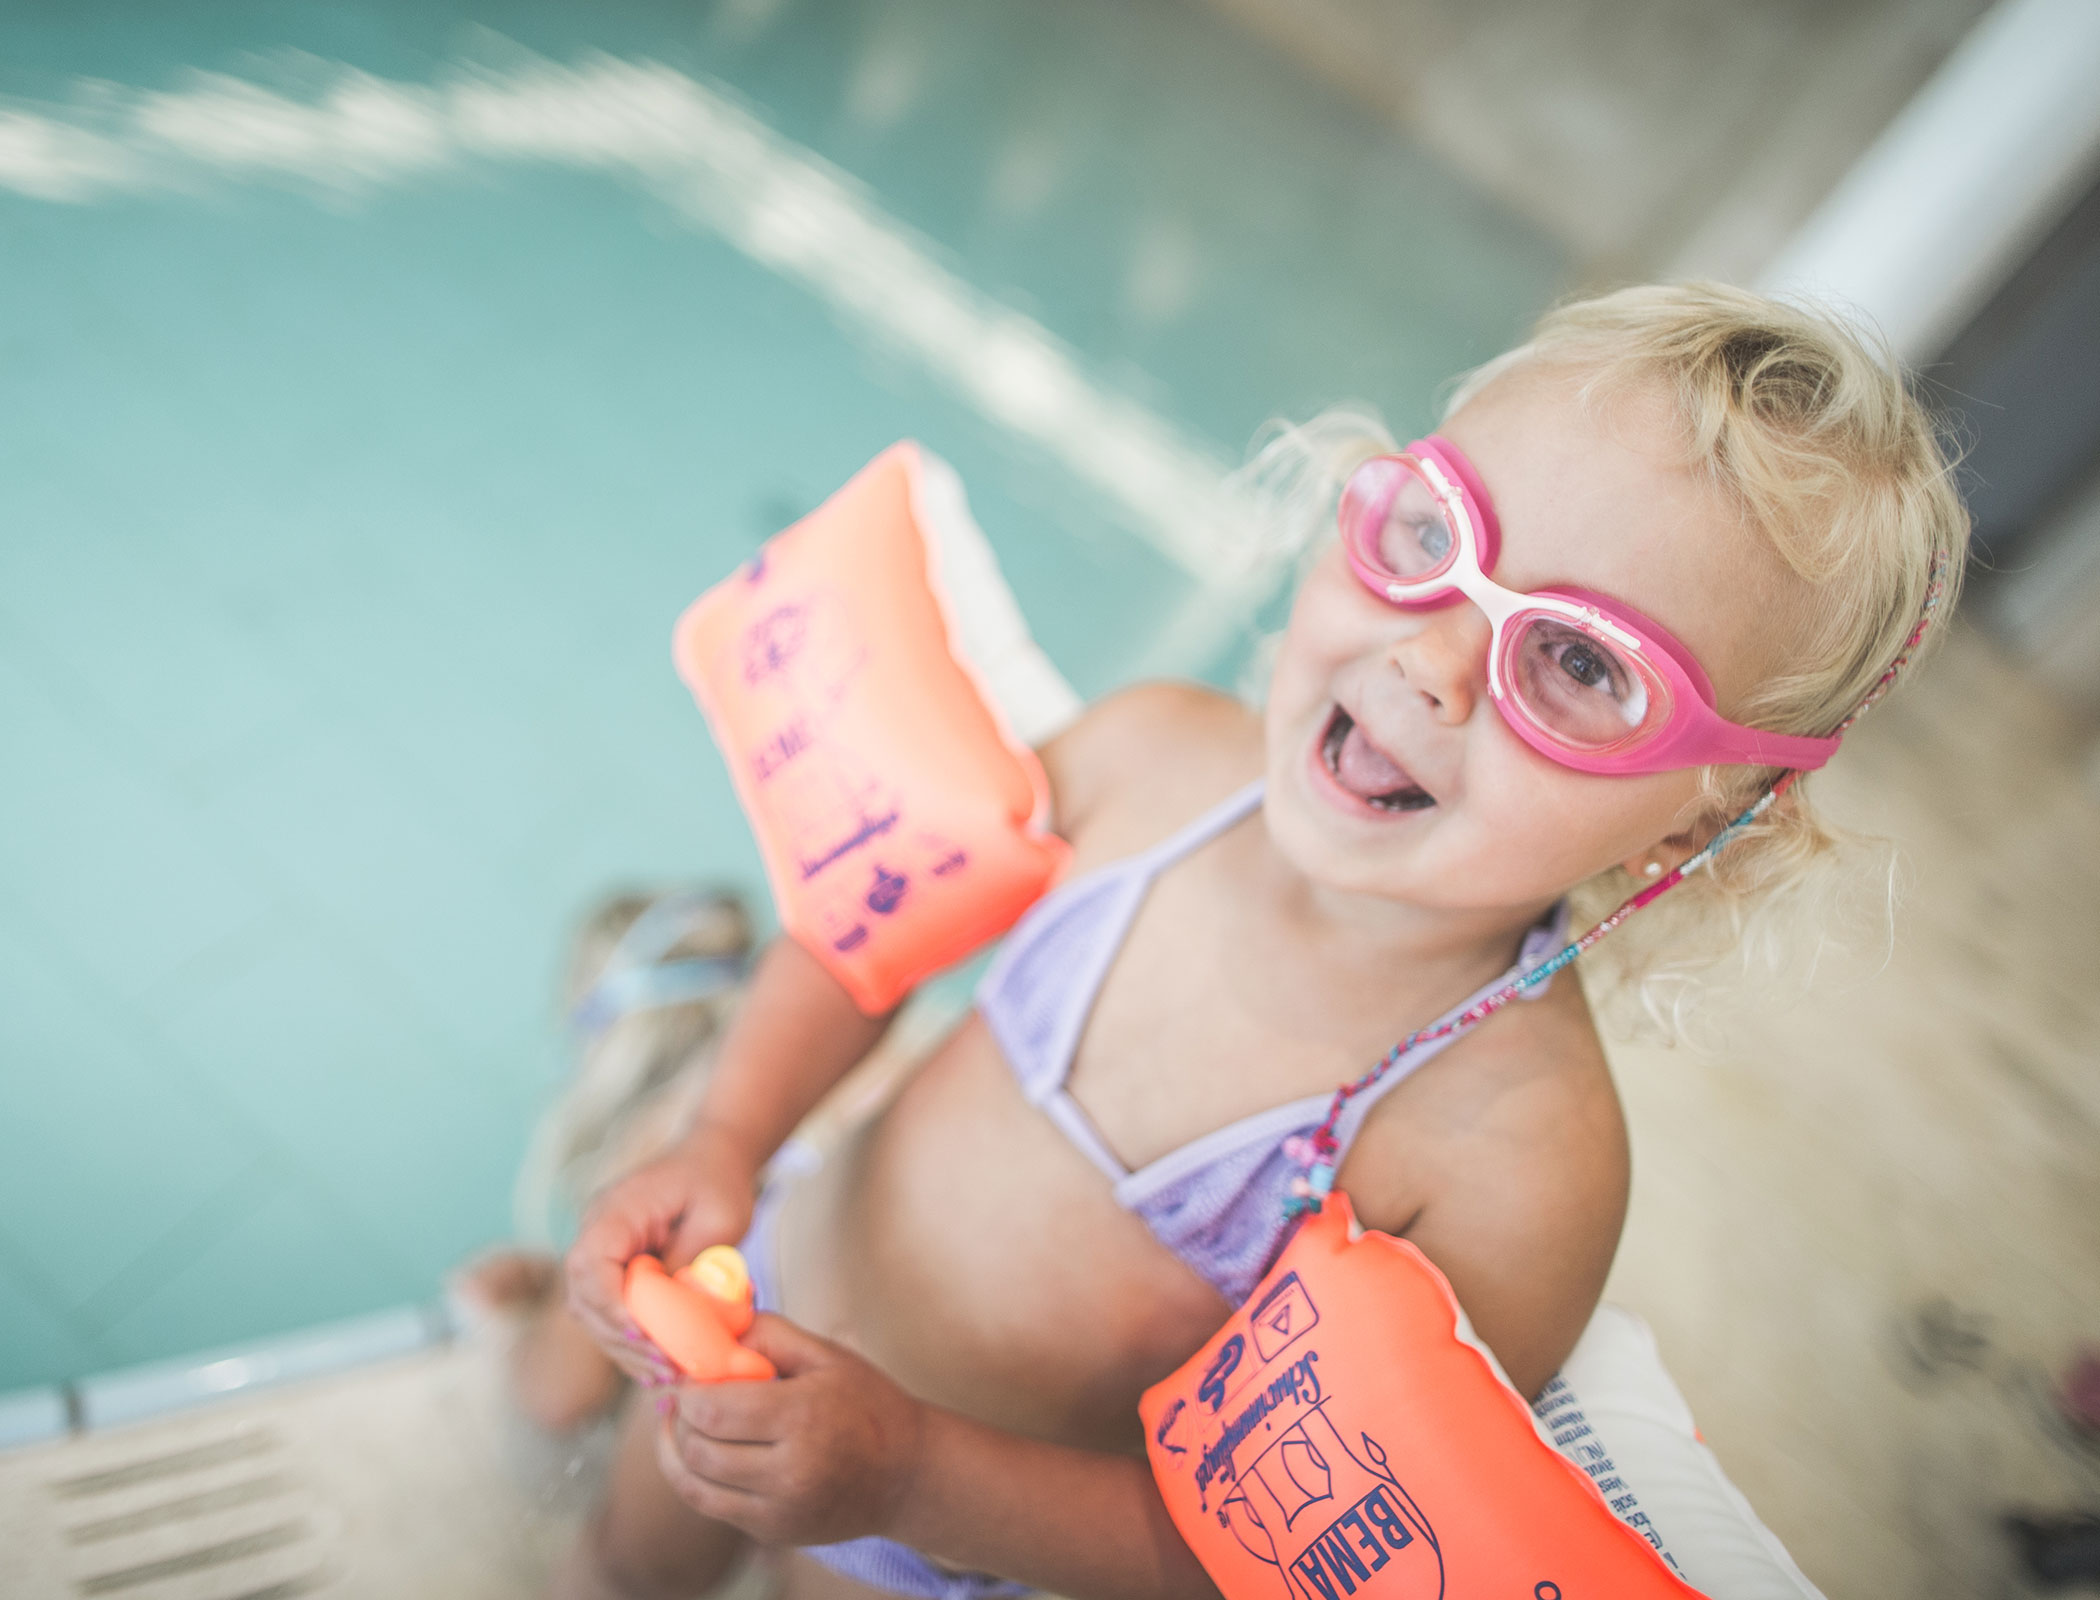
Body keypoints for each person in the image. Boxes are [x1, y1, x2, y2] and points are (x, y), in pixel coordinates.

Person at [525, 283, 1967, 1600]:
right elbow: (866, 941)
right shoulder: (1152, 761)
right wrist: (726, 1133)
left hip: (947, 1549)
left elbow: (1258, 1551)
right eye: (1435, 537)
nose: (1431, 659)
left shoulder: (1505, 1165)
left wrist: (904, 1474)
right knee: (617, 1568)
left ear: (1699, 825)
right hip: (763, 1288)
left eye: (1585, 665)